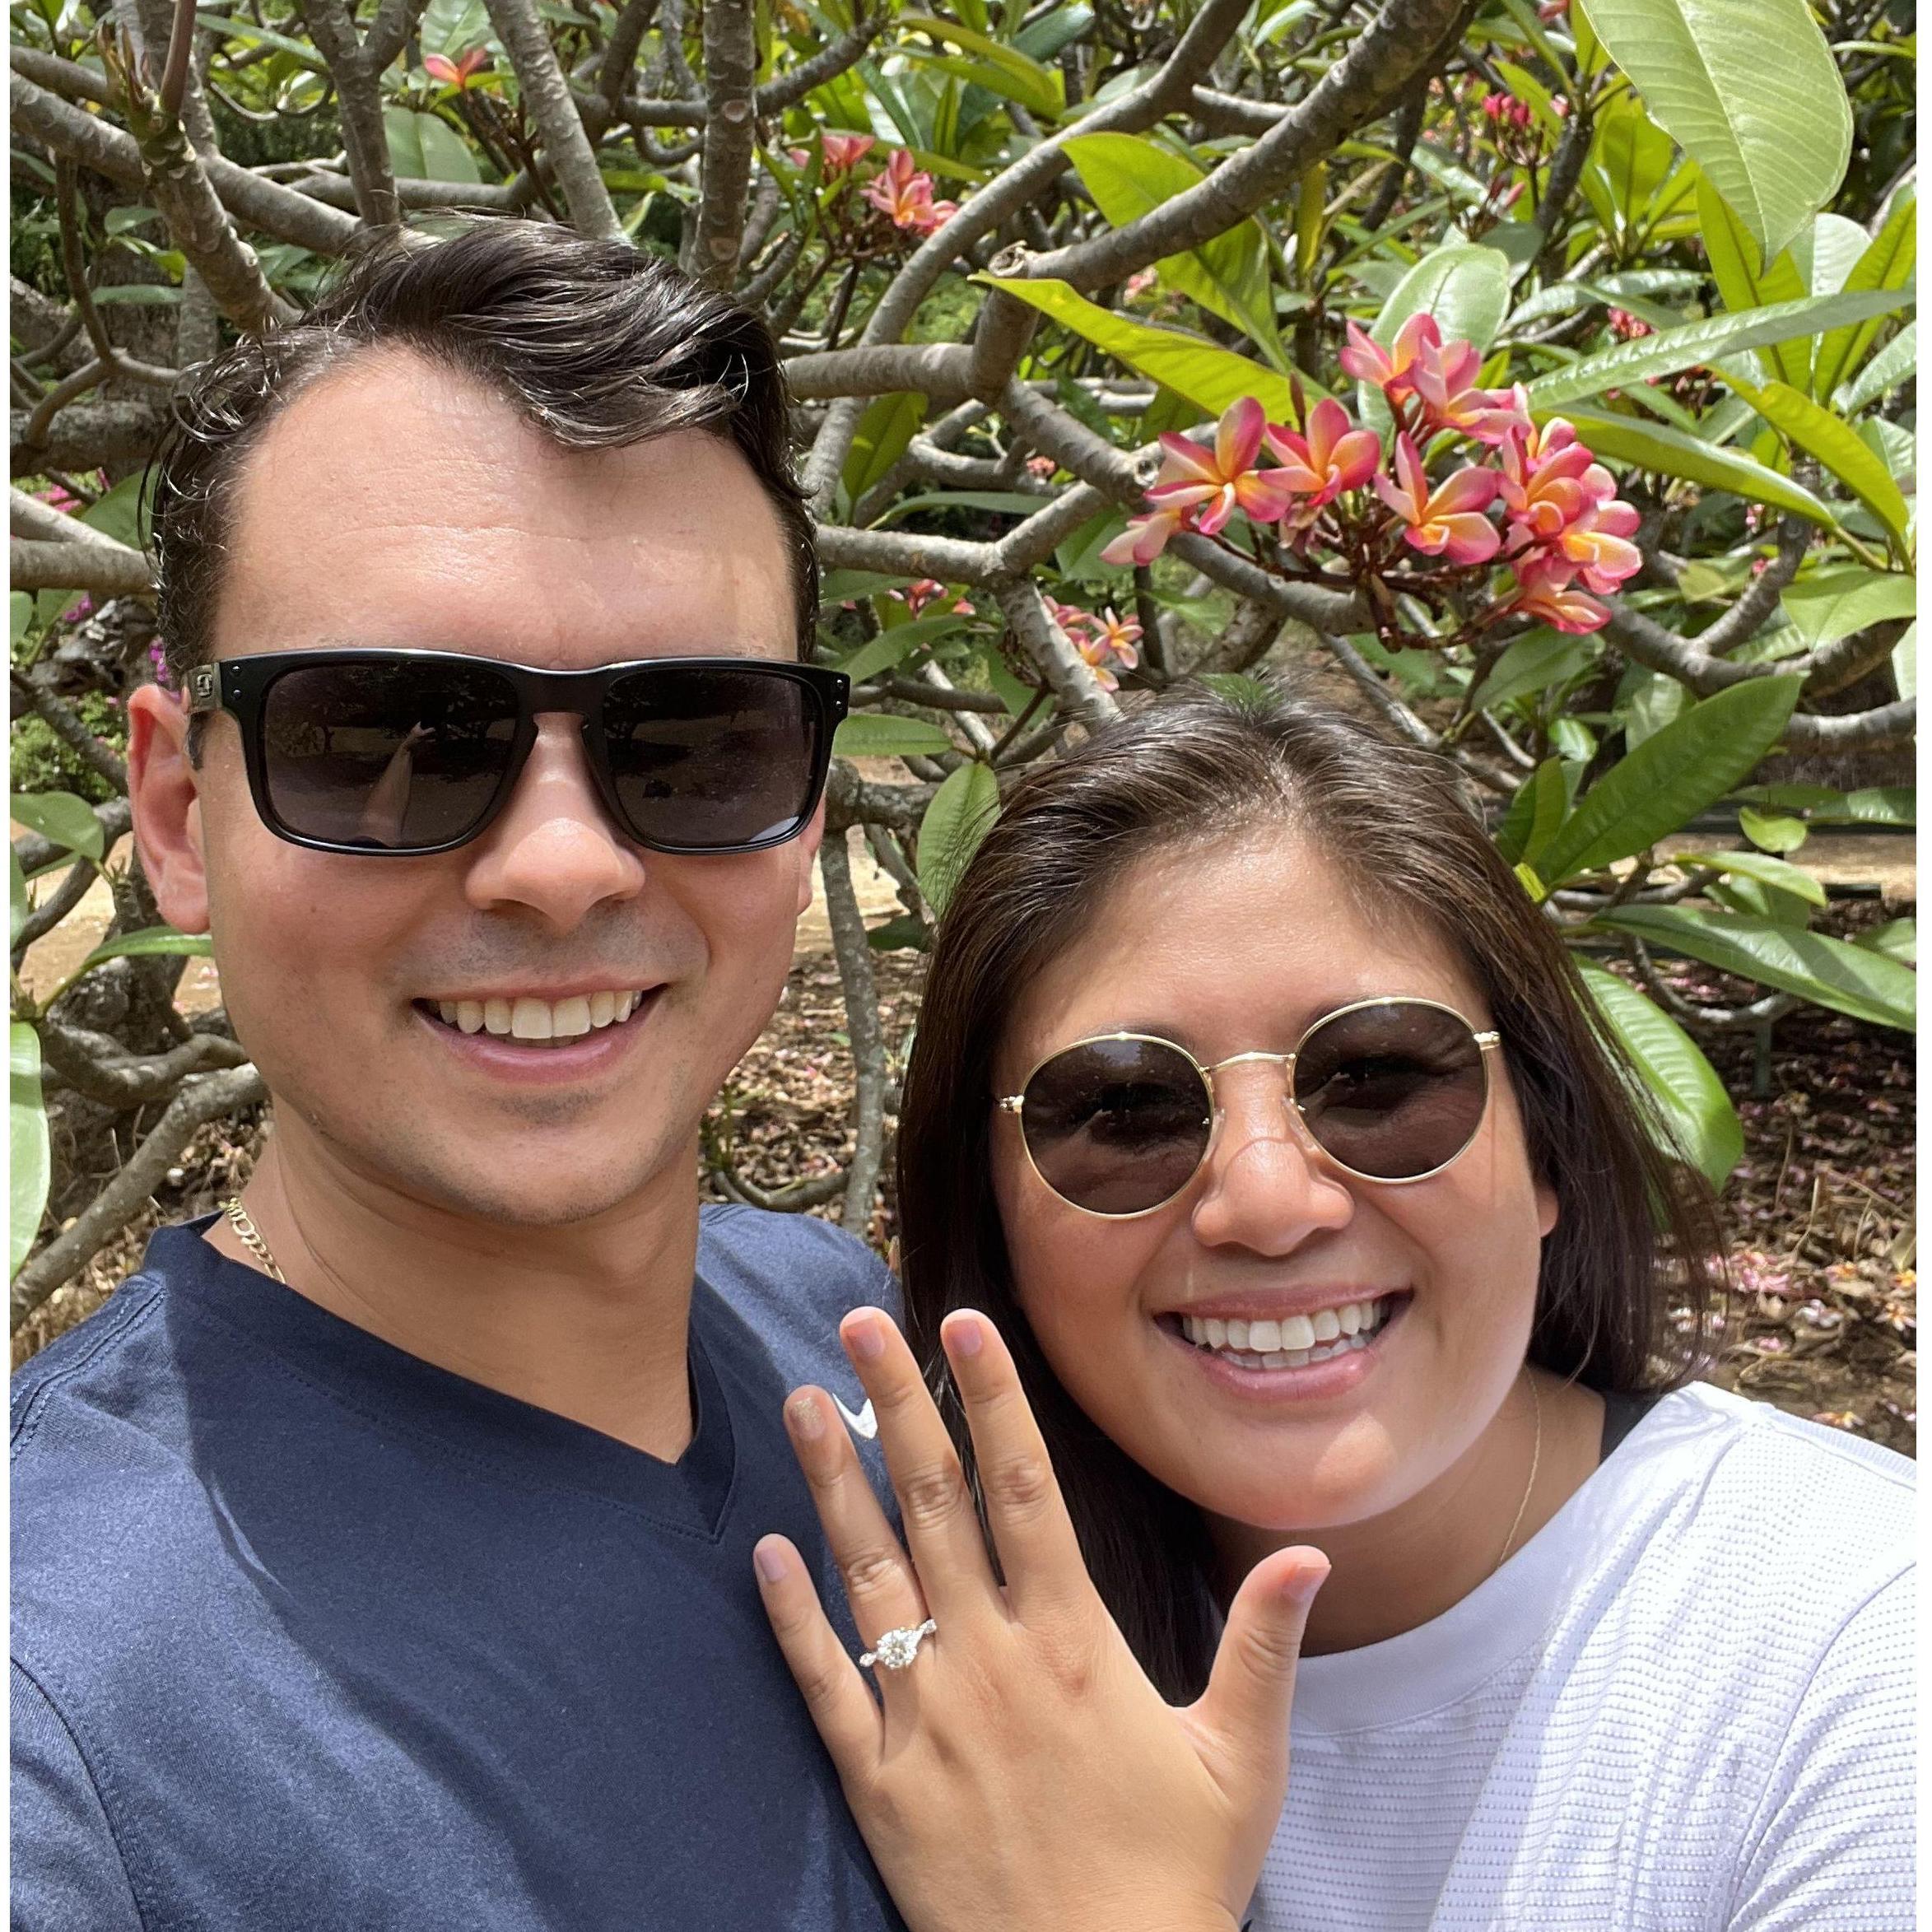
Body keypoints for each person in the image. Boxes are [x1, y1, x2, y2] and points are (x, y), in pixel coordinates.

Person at [11, 221, 915, 1929]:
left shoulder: (839, 1335)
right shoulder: (58, 1714)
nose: (561, 865)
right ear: (178, 817)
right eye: (388, 738)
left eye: (694, 738)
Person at [757, 678, 1915, 1931]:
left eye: (1376, 1080)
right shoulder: (946, 1669)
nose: (1267, 1201)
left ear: (1548, 1154)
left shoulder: (1861, 1659)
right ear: (990, 1218)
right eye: (1127, 1112)